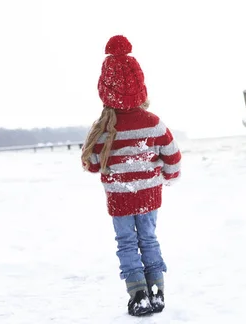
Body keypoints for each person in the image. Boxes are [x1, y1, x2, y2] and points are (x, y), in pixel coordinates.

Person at [81, 35, 181, 316]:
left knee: (126, 242)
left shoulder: (103, 128)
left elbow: (92, 163)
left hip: (119, 197)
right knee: (148, 239)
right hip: (149, 194)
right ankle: (157, 292)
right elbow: (172, 155)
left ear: (105, 90)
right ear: (140, 87)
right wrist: (169, 175)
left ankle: (138, 294)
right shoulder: (153, 123)